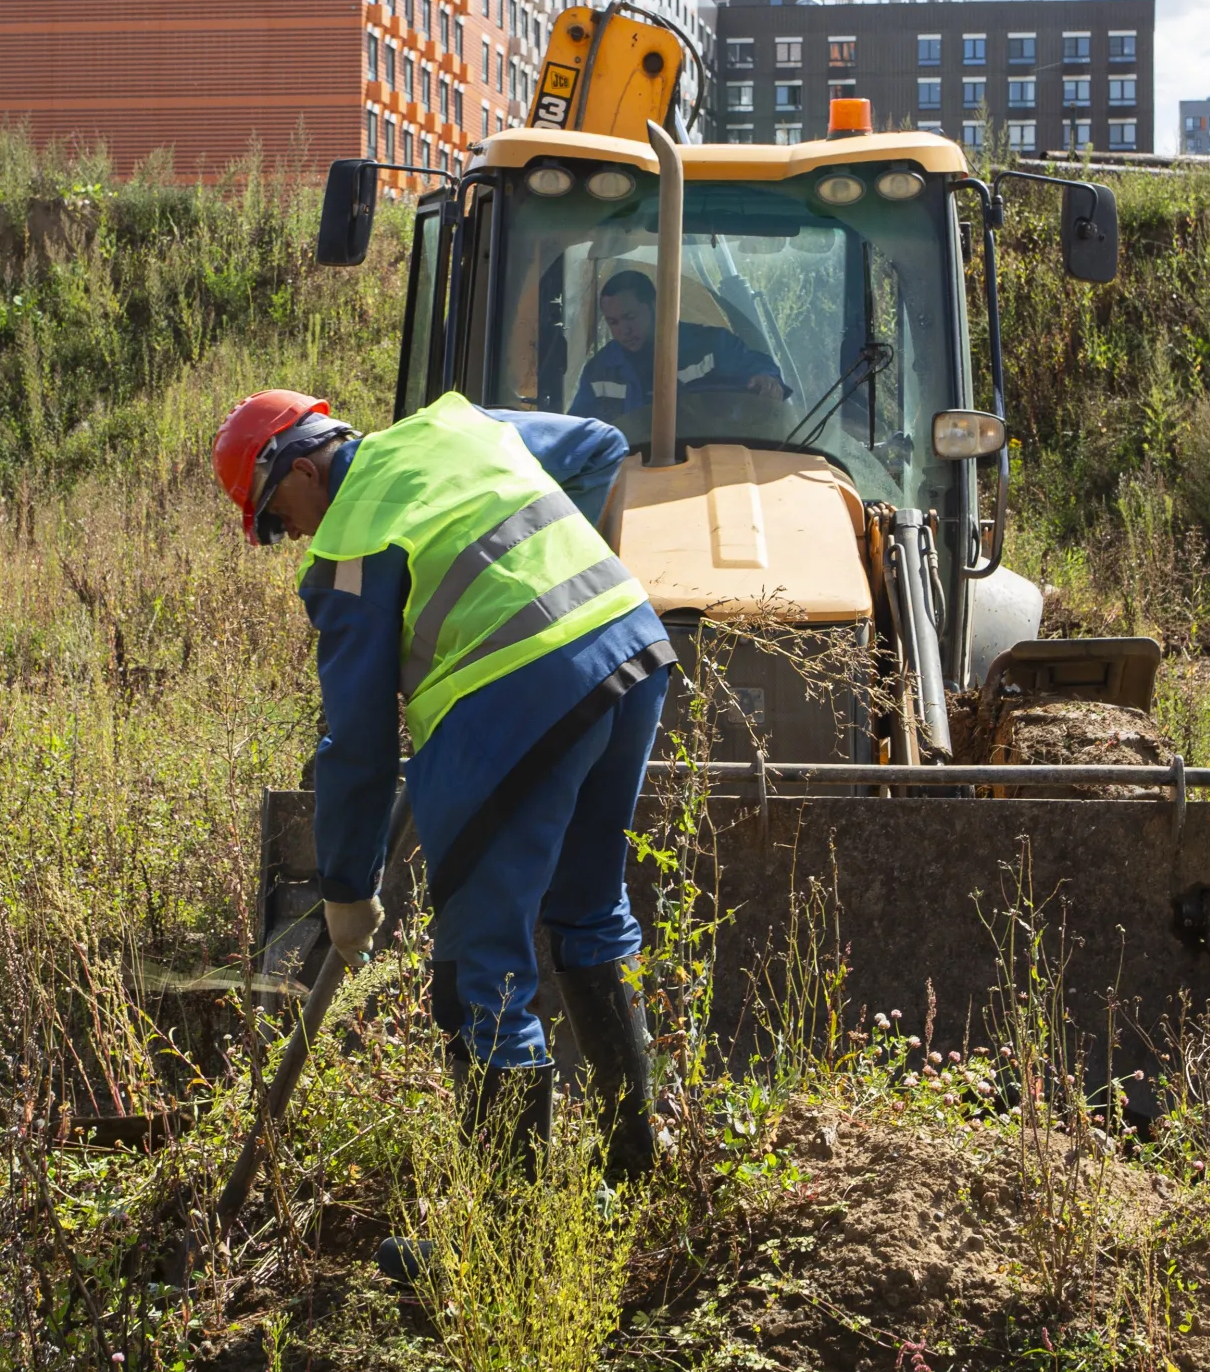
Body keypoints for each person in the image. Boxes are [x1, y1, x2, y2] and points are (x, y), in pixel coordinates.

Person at [212, 387, 677, 1182]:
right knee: (589, 911)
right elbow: (598, 445)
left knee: (478, 975)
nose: (287, 535)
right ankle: (639, 1168)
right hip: (627, 646)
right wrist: (543, 579)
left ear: (293, 468)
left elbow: (356, 743)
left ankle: (509, 1245)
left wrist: (346, 889)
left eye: (272, 517)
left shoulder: (352, 545)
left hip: (516, 699)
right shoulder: (455, 425)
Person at [568, 268, 786, 426]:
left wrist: (766, 378)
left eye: (630, 317)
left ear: (655, 306)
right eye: (613, 322)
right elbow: (579, 431)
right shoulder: (599, 372)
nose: (623, 330)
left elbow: (755, 367)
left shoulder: (711, 347)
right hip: (630, 473)